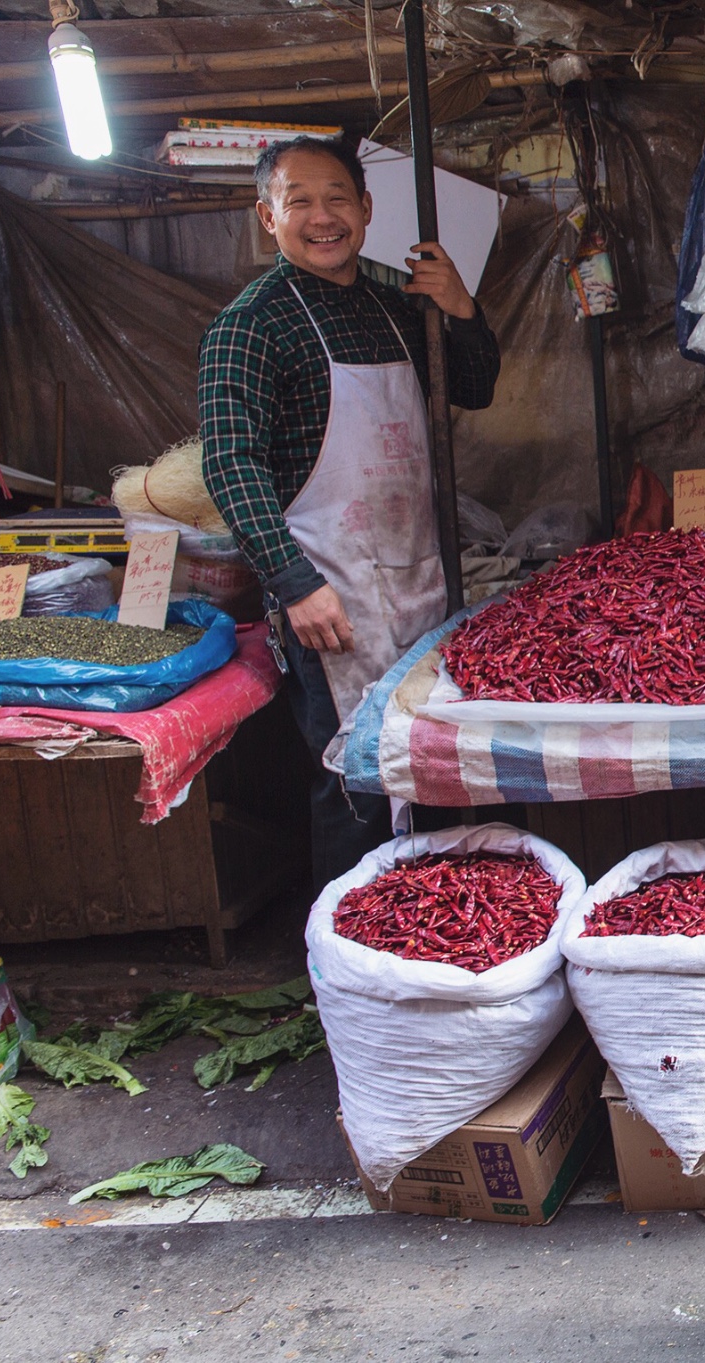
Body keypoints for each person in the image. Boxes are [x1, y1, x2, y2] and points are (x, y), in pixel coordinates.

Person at [197, 136, 500, 886]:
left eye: (338, 198)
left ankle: (436, 935)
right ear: (268, 216)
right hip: (331, 596)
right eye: (299, 200)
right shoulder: (250, 325)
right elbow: (231, 464)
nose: (322, 216)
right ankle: (351, 968)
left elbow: (473, 386)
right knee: (356, 784)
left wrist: (460, 308)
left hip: (419, 582)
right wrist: (294, 583)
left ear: (366, 210)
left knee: (433, 767)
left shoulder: (396, 308)